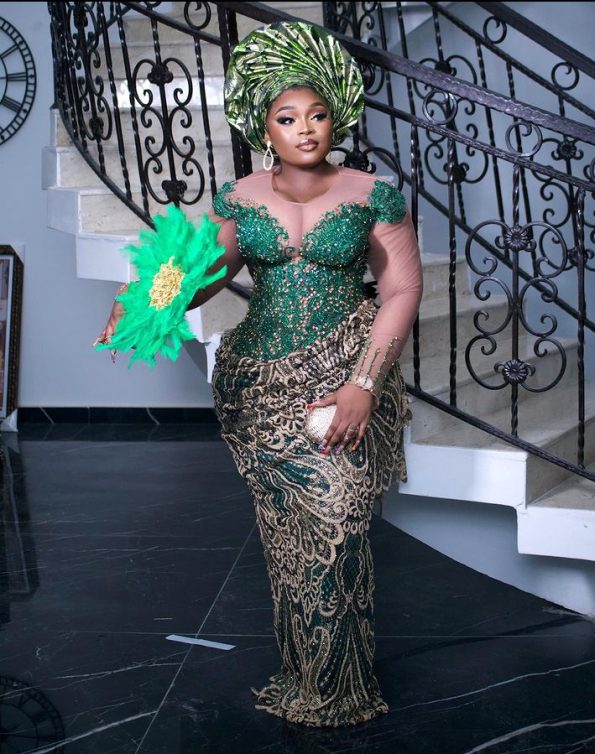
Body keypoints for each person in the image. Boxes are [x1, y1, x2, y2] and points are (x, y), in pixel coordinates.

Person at [96, 21, 422, 728]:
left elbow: (402, 289)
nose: (305, 129)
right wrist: (146, 297)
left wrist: (364, 384)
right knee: (289, 534)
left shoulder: (372, 193)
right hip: (260, 386)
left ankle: (341, 682)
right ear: (263, 127)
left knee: (340, 520)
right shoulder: (240, 197)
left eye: (317, 115)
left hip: (344, 372)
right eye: (287, 118)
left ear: (335, 117)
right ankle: (308, 673)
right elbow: (208, 276)